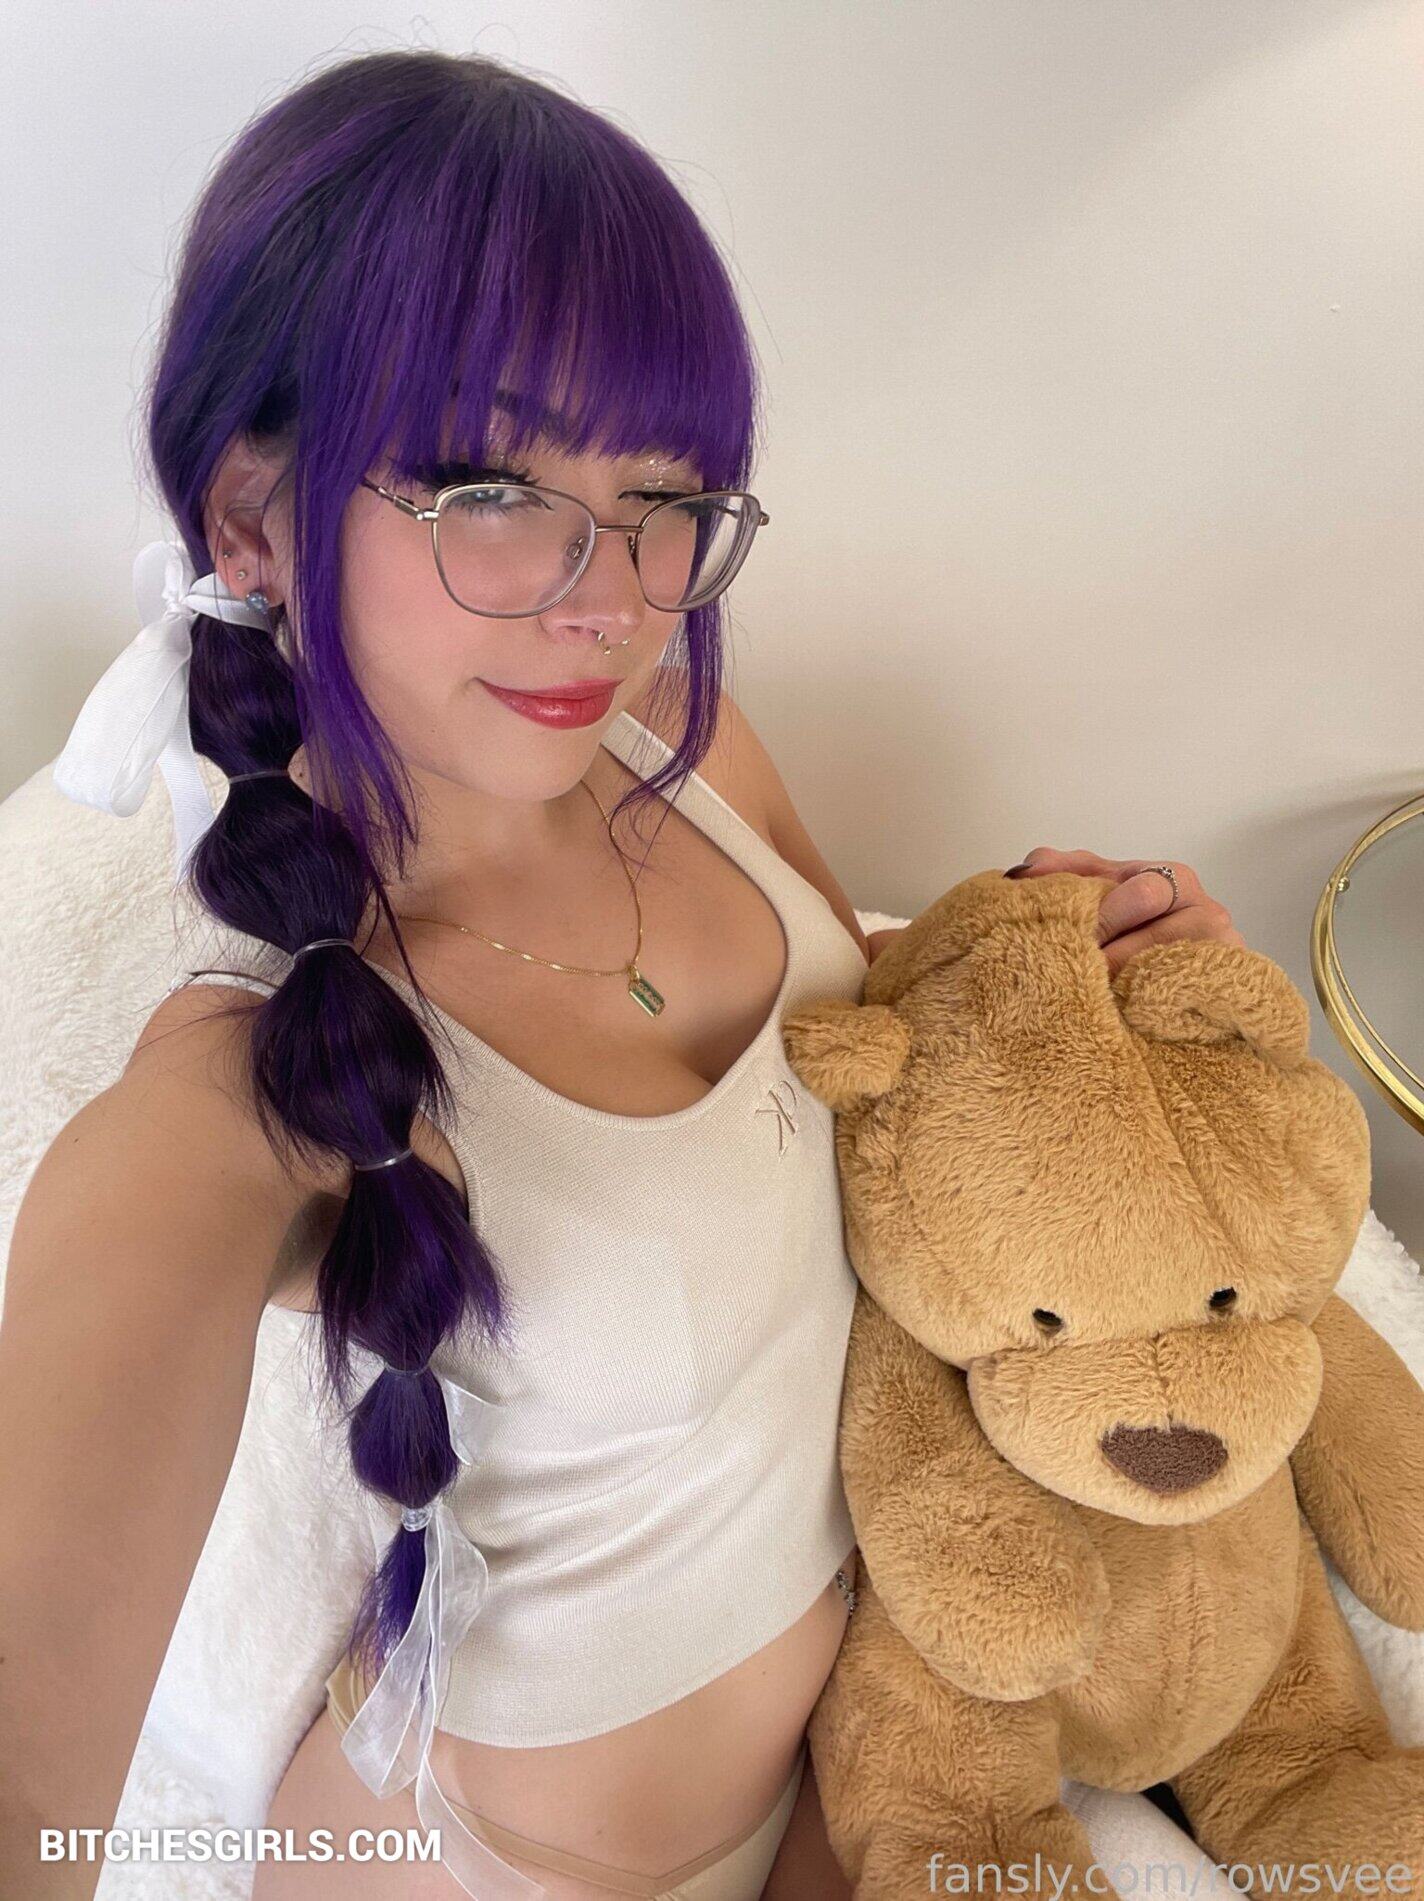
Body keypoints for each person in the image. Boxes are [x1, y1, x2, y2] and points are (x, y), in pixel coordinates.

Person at [0, 47, 1245, 1901]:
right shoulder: (248, 1080)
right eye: (492, 482)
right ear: (253, 516)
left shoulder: (685, 747)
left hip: (861, 1757)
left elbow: (857, 1044)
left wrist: (1078, 976)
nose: (613, 593)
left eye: (666, 487)